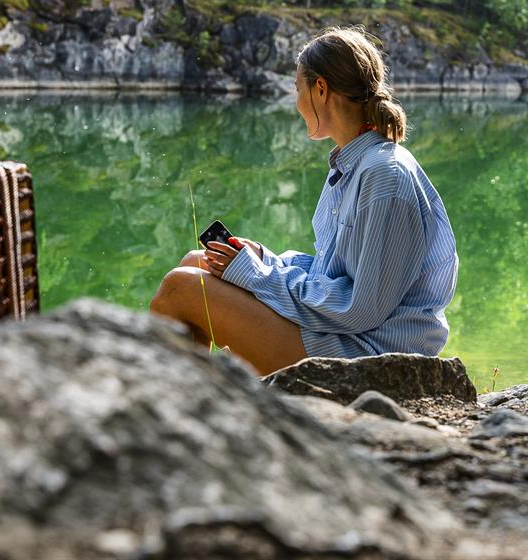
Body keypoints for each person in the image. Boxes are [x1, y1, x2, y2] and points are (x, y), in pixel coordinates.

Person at [149, 26, 459, 375]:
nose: (297, 102)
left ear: (321, 88)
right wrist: (268, 260)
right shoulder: (351, 165)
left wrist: (258, 276)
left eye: (299, 89)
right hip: (348, 336)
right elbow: (336, 273)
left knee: (182, 289)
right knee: (200, 262)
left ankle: (154, 413)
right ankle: (190, 408)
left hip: (370, 355)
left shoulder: (384, 174)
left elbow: (361, 309)